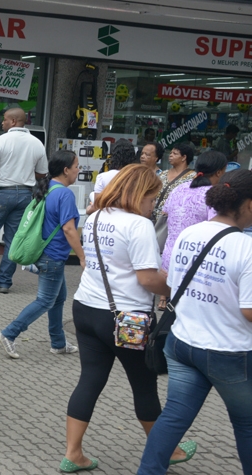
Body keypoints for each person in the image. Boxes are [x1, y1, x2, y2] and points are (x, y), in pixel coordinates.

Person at [60, 164, 191, 473]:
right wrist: (176, 288)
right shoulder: (138, 225)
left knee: (90, 379)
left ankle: (73, 453)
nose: (153, 205)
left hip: (86, 308)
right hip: (128, 318)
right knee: (144, 385)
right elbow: (147, 279)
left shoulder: (96, 217)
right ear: (138, 193)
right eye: (152, 198)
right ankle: (169, 450)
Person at [137, 170, 252, 475]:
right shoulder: (246, 248)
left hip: (182, 343)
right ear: (249, 205)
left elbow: (172, 283)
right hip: (229, 352)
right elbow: (249, 311)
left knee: (174, 415)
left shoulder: (190, 234)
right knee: (247, 423)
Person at [0, 150, 85, 359]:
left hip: (44, 253)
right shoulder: (64, 194)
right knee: (45, 300)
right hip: (53, 257)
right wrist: (82, 256)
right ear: (66, 170)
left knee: (58, 298)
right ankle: (9, 333)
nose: (78, 170)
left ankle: (58, 343)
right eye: (76, 166)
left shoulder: (48, 188)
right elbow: (69, 229)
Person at [0, 108, 47, 293]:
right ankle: (4, 282)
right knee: (13, 240)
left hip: (0, 193)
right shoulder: (36, 143)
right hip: (25, 195)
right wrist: (27, 175)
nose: (2, 123)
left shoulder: (1, 141)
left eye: (4, 120)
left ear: (13, 121)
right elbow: (42, 173)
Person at [159, 151, 227, 275]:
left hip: (169, 260)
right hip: (195, 265)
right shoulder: (214, 195)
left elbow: (165, 212)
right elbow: (217, 228)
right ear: (219, 172)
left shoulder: (179, 188)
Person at [86, 138, 136, 214]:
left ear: (114, 156)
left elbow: (97, 206)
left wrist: (88, 209)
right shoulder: (138, 177)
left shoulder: (102, 177)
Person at [151, 143, 196, 223]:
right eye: (171, 153)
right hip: (155, 217)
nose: (170, 155)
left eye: (175, 154)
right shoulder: (163, 174)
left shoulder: (192, 177)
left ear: (184, 157)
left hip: (173, 219)